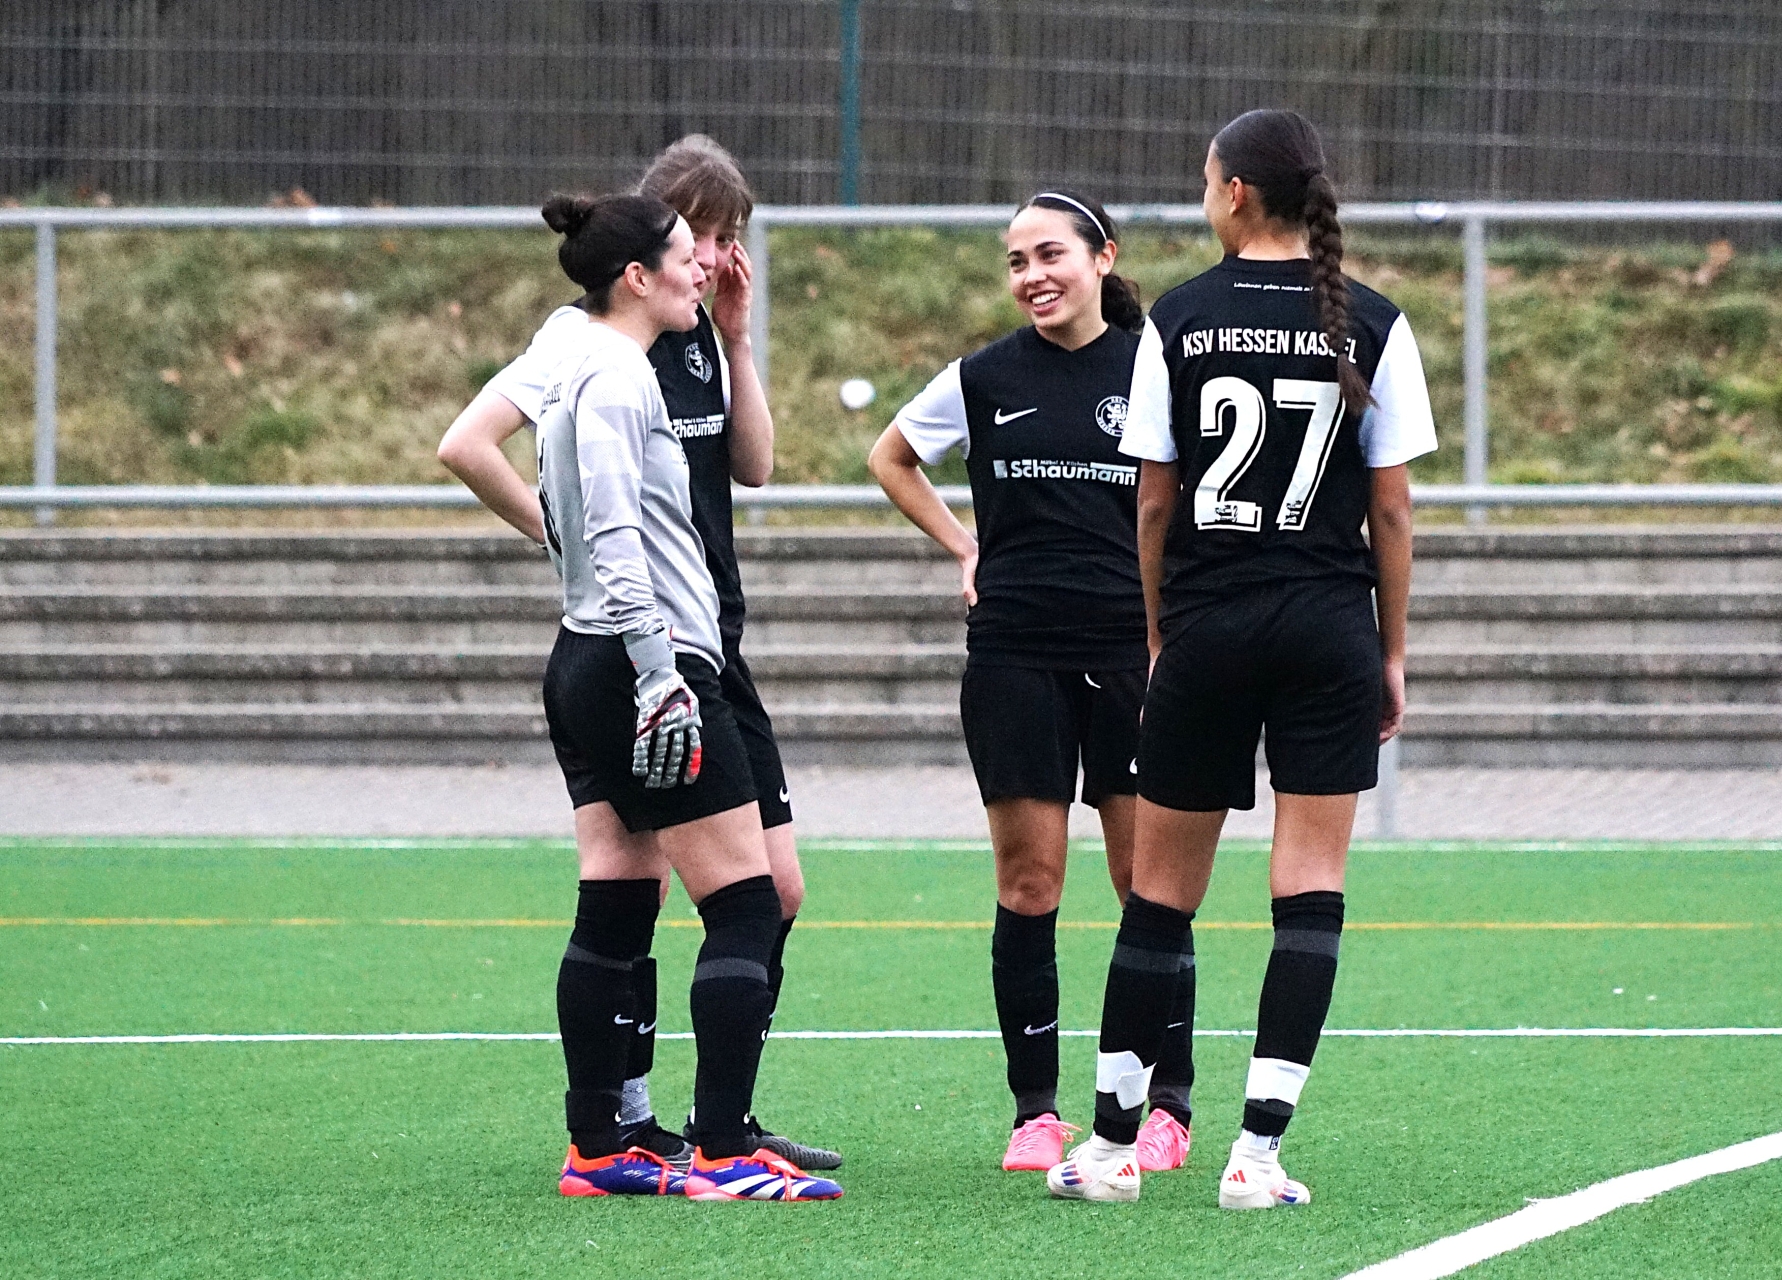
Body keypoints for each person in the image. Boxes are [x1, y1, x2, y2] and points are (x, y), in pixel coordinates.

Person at [1044, 109, 1436, 1208]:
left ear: (1235, 196)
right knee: (1308, 893)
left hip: (1209, 628)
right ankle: (1256, 1158)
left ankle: (1110, 1151)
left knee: (1159, 898)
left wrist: (1159, 630)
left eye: (1205, 180)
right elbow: (1393, 513)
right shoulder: (1375, 321)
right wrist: (1391, 652)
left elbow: (1153, 499)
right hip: (1328, 630)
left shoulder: (1177, 316)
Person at [438, 136, 838, 1173]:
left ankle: (625, 1137)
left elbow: (754, 467)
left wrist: (737, 338)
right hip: (650, 646)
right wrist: (570, 549)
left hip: (676, 639)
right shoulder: (599, 355)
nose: (717, 257)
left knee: (661, 890)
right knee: (736, 896)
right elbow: (483, 452)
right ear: (647, 254)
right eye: (703, 236)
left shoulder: (692, 332)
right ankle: (704, 1139)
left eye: (731, 237)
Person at [868, 191, 1197, 1175]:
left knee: (1148, 888)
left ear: (1103, 258)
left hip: (1132, 654)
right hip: (1014, 652)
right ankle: (1036, 1112)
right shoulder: (982, 377)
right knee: (1028, 882)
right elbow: (891, 456)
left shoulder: (1155, 369)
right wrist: (963, 544)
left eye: (1049, 254)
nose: (1032, 276)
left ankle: (1166, 1106)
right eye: (1016, 262)